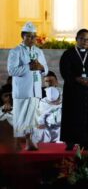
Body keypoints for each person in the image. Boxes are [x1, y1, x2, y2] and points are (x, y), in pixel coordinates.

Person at [60, 29, 88, 150]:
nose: (85, 42)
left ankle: (87, 140)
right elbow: (64, 71)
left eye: (87, 39)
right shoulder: (68, 54)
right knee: (72, 116)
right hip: (73, 92)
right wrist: (76, 79)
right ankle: (70, 141)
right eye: (82, 39)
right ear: (76, 39)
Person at [7, 22, 48, 151]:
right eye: (28, 36)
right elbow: (12, 70)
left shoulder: (39, 51)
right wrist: (28, 67)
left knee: (33, 117)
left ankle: (30, 140)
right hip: (23, 90)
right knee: (21, 117)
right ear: (22, 36)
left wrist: (40, 67)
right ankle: (18, 142)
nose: (32, 39)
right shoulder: (16, 51)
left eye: (34, 36)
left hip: (36, 90)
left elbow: (45, 69)